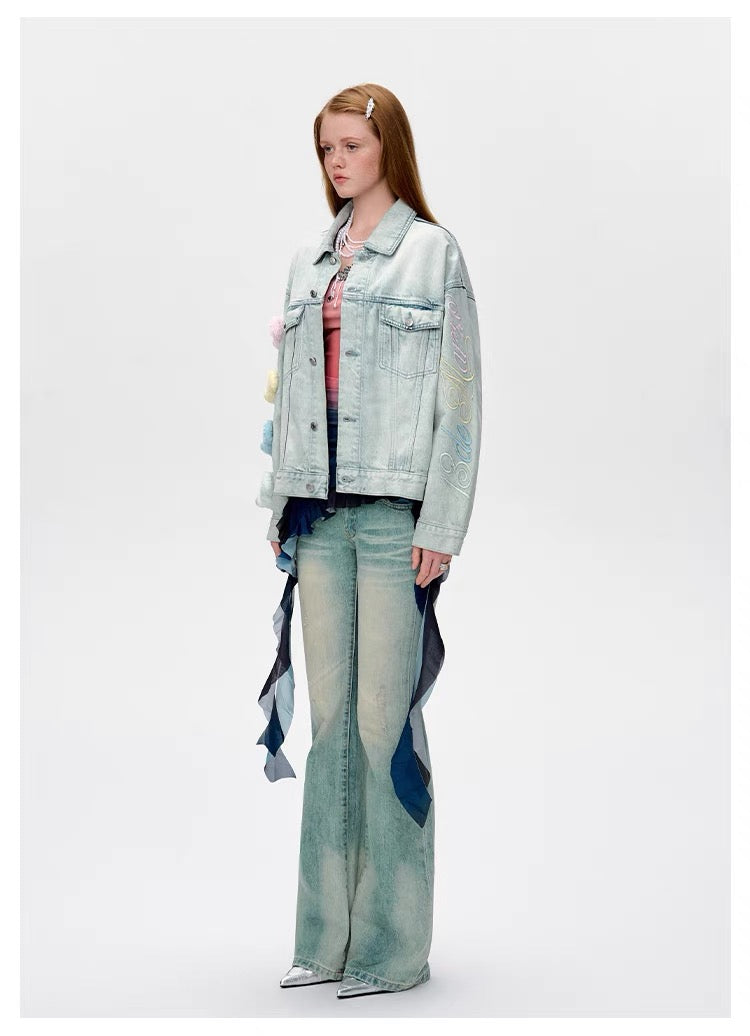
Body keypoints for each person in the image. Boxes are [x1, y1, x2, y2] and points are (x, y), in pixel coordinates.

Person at [255, 83, 482, 998]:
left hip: (394, 520)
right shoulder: (310, 261)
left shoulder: (434, 255)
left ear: (389, 147)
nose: (337, 161)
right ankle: (326, 941)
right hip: (317, 518)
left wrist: (443, 524)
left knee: (386, 723)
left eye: (351, 144)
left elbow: (460, 404)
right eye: (326, 148)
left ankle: (393, 949)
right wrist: (280, 507)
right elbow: (287, 398)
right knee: (330, 728)